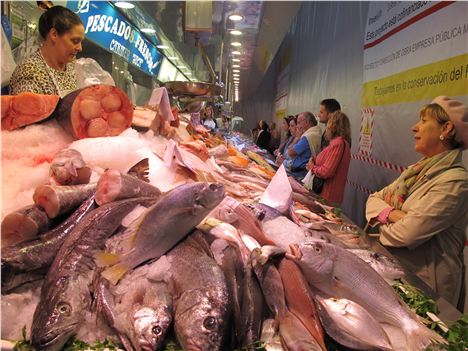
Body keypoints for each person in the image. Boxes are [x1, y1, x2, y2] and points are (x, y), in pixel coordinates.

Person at [365, 96, 468, 310]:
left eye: (423, 121)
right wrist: (392, 215)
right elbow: (373, 199)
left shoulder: (455, 182)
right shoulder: (416, 172)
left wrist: (384, 219)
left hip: (428, 290)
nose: (414, 128)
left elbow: (407, 234)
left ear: (446, 129)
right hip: (400, 272)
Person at [9, 5, 84, 97]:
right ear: (54, 34)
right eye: (75, 41)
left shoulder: (71, 66)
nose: (80, 48)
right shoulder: (29, 73)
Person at [306, 111, 351, 205]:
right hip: (327, 196)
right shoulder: (339, 143)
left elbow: (327, 171)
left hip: (327, 196)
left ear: (332, 126)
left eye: (328, 124)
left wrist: (312, 168)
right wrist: (314, 160)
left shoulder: (338, 144)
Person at [288, 111, 321, 178]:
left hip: (300, 174)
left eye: (299, 122)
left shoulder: (307, 137)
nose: (297, 126)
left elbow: (290, 152)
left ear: (306, 123)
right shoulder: (315, 133)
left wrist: (298, 137)